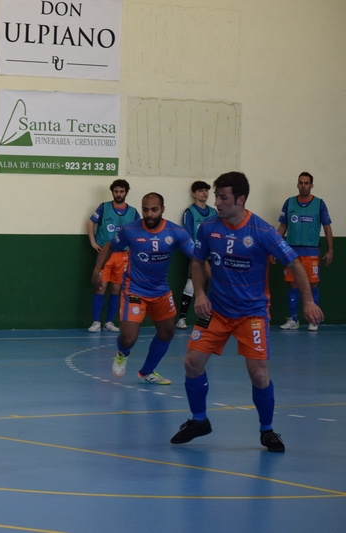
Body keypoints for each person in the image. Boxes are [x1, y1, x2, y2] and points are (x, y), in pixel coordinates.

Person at [170, 172, 323, 453]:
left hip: (251, 312)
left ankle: (267, 431)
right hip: (216, 309)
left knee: (258, 374)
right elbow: (197, 260)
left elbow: (296, 265)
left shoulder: (262, 232)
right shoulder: (208, 228)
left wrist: (308, 302)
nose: (216, 201)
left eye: (223, 197)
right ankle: (199, 420)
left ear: (240, 199)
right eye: (216, 196)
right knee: (192, 362)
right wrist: (201, 294)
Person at [92, 193, 194, 385]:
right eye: (145, 209)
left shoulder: (176, 232)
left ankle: (146, 372)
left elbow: (197, 258)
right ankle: (122, 353)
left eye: (154, 209)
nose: (149, 214)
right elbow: (109, 247)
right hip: (134, 290)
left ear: (162, 209)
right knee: (129, 337)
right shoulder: (130, 230)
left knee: (167, 332)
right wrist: (97, 270)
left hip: (161, 291)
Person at [276, 171, 333, 331]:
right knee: (293, 284)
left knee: (312, 285)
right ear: (297, 184)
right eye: (301, 182)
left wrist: (331, 250)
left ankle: (313, 320)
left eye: (306, 183)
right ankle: (293, 319)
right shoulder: (289, 203)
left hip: (312, 251)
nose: (303, 185)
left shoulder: (319, 203)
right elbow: (282, 227)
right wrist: (274, 249)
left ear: (311, 185)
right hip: (291, 252)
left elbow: (327, 227)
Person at [87, 179, 140, 333]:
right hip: (105, 254)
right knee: (100, 287)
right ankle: (96, 321)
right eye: (116, 191)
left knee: (116, 288)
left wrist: (133, 248)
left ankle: (109, 322)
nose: (118, 194)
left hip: (122, 255)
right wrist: (93, 242)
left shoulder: (133, 212)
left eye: (121, 191)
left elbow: (139, 231)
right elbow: (91, 223)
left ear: (126, 192)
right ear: (112, 192)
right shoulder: (104, 207)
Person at [175, 181, 217, 329]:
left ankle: (211, 318)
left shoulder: (214, 212)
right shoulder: (190, 213)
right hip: (198, 256)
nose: (204, 193)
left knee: (214, 284)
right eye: (200, 190)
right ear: (194, 194)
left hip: (214, 255)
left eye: (206, 190)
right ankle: (182, 318)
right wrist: (200, 257)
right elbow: (187, 237)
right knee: (191, 285)